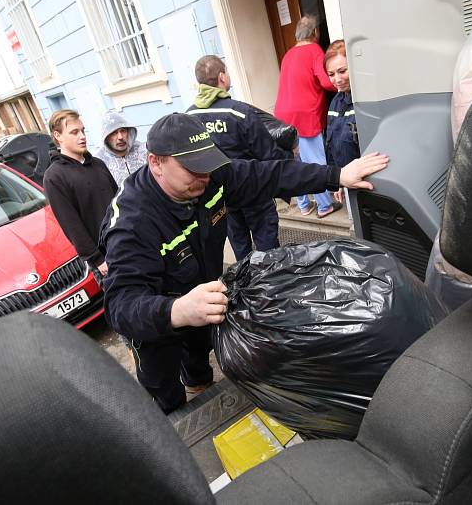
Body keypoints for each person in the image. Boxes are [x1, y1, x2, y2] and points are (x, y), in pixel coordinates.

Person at [99, 113, 388, 413]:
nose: (204, 177)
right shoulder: (132, 222)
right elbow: (120, 304)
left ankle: (200, 384)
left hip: (201, 298)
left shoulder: (210, 177)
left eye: (207, 165)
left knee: (199, 358)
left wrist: (336, 175)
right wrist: (177, 310)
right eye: (192, 168)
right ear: (156, 162)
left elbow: (270, 176)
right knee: (165, 391)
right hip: (157, 321)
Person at [186, 54, 292, 260]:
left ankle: (246, 287)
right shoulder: (240, 112)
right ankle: (270, 288)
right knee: (268, 250)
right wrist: (288, 160)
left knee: (240, 248)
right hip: (254, 191)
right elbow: (268, 154)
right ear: (222, 77)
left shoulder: (189, 117)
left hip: (220, 197)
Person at [274, 14, 341, 218]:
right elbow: (326, 82)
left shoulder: (287, 55)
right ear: (315, 33)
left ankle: (303, 206)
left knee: (295, 162)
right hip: (305, 114)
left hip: (283, 115)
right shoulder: (314, 50)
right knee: (315, 161)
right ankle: (324, 206)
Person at [43, 109, 117, 283]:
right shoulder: (54, 177)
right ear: (57, 135)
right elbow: (71, 224)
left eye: (82, 130)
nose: (82, 136)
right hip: (105, 259)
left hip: (128, 242)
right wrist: (97, 259)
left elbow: (119, 202)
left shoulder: (98, 164)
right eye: (74, 132)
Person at [324, 39, 361, 207]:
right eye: (331, 74)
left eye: (342, 71)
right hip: (346, 182)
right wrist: (336, 180)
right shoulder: (335, 103)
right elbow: (330, 144)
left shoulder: (366, 102)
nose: (337, 79)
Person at [93, 111, 147, 187]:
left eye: (123, 131)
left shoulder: (143, 150)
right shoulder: (99, 161)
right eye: (114, 133)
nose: (120, 137)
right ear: (106, 136)